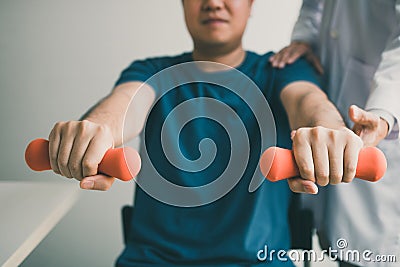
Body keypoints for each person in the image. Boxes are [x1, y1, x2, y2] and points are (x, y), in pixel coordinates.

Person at [46, 0, 362, 266]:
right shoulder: (151, 72)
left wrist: (328, 129)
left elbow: (309, 101)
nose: (213, 2)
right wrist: (98, 131)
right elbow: (124, 104)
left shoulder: (282, 70)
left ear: (251, 4)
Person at [271, 0, 400, 266]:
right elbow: (313, 5)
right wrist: (305, 37)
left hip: (378, 112)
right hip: (331, 86)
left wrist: (384, 112)